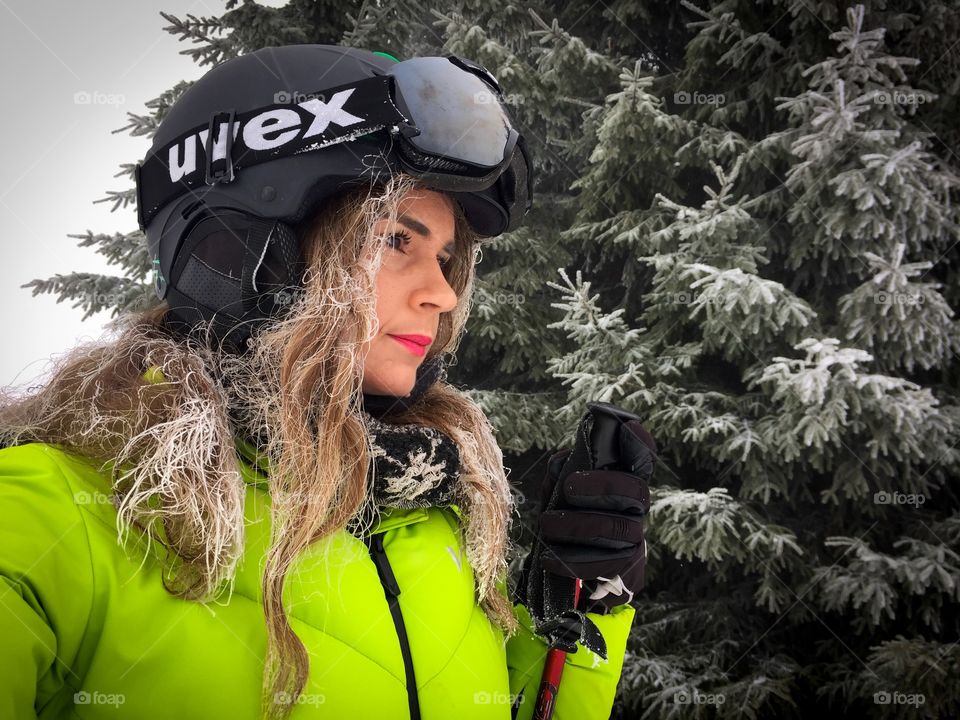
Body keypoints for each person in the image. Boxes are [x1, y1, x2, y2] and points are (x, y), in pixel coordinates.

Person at [0, 44, 654, 720]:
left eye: (447, 258)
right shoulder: (49, 519)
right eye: (397, 239)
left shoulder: (434, 526)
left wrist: (573, 621)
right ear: (247, 253)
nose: (442, 295)